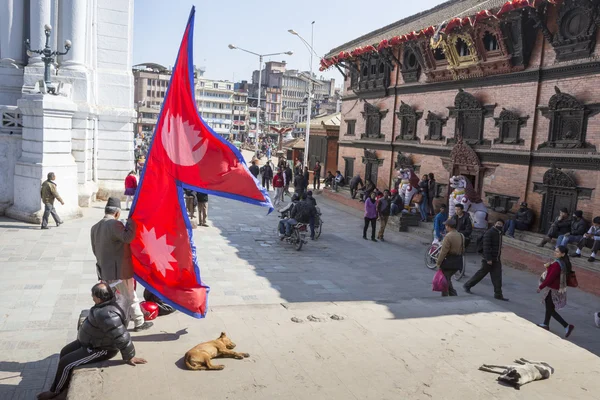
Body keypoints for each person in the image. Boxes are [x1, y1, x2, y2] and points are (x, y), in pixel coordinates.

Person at [36, 283, 147, 400]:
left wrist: (130, 356)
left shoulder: (108, 316)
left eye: (93, 295)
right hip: (91, 340)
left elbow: (121, 336)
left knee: (66, 363)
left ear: (99, 298)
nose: (91, 297)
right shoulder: (112, 300)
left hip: (100, 348)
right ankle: (63, 385)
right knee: (64, 352)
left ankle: (56, 392)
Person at [90, 197, 152, 332]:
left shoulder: (94, 227)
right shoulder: (114, 224)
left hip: (105, 271)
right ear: (117, 213)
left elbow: (95, 250)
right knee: (130, 296)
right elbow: (128, 237)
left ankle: (115, 321)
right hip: (120, 272)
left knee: (113, 299)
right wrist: (132, 221)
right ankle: (139, 322)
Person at [464, 219, 509, 301]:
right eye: (498, 223)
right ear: (494, 224)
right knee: (481, 274)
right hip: (488, 259)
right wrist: (488, 258)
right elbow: (486, 246)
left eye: (501, 224)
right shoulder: (490, 232)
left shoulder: (499, 233)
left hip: (496, 259)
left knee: (497, 277)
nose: (499, 225)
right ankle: (467, 285)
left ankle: (498, 294)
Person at [537, 246, 575, 338]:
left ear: (563, 254)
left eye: (557, 252)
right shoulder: (563, 263)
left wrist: (541, 287)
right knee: (549, 306)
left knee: (550, 309)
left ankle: (566, 326)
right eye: (555, 251)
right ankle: (545, 324)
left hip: (552, 289)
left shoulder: (557, 264)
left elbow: (550, 278)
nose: (555, 253)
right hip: (558, 289)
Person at [436, 218, 464, 297]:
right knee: (447, 278)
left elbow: (443, 252)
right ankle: (452, 295)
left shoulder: (448, 237)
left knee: (445, 280)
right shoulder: (461, 235)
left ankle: (446, 296)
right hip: (458, 260)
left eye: (446, 225)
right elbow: (463, 249)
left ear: (448, 226)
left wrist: (438, 262)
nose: (445, 227)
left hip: (449, 260)